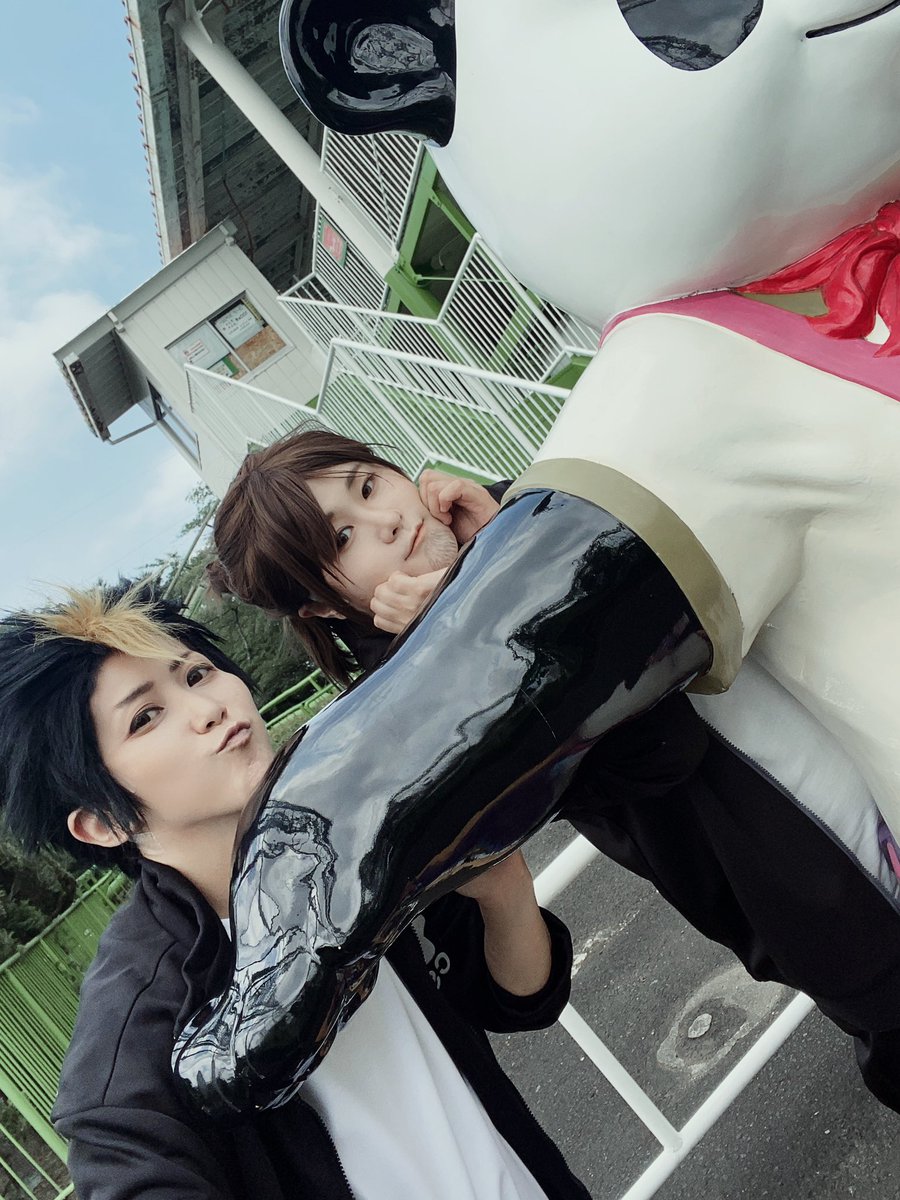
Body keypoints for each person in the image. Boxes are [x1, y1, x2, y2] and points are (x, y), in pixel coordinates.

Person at [209, 430, 900, 1116]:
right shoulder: (407, 731)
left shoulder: (522, 517)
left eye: (368, 484)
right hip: (819, 890)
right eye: (343, 539)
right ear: (322, 607)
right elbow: (659, 753)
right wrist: (485, 628)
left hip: (854, 747)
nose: (386, 518)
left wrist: (506, 552)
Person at [0, 581, 591, 1200]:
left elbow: (516, 1001)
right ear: (101, 823)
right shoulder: (142, 1019)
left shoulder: (352, 821)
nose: (207, 709)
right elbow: (122, 1156)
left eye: (197, 674)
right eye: (145, 717)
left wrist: (504, 891)